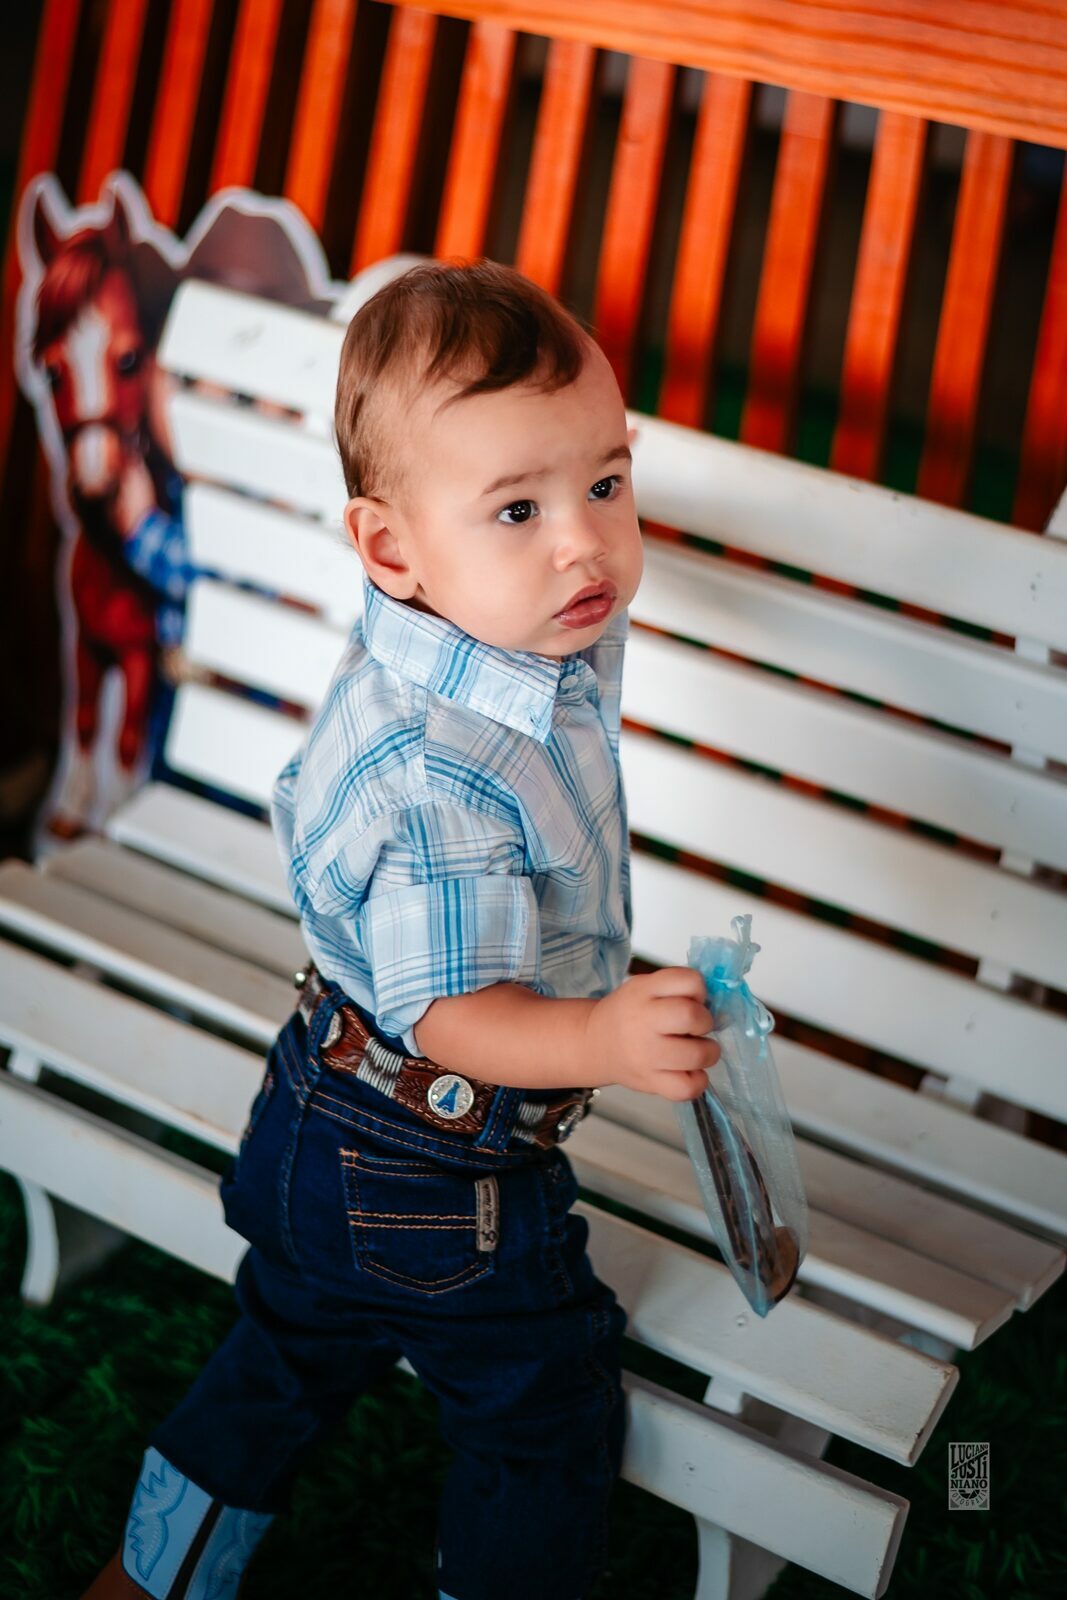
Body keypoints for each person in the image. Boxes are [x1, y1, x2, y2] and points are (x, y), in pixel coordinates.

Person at [83, 258, 719, 1600]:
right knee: (542, 1406)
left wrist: (532, 506)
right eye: (519, 508)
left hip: (318, 1113)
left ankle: (151, 1578)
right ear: (388, 549)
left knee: (284, 1356)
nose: (583, 542)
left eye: (608, 483)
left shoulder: (472, 627)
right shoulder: (446, 772)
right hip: (436, 1167)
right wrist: (604, 1037)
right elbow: (452, 1018)